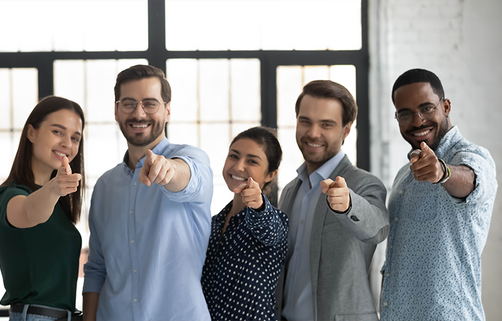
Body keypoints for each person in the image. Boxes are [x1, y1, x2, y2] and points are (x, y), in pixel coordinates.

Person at [82, 64, 213, 321]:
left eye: (150, 104)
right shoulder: (105, 186)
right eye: (128, 103)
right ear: (117, 111)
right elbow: (97, 268)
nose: (139, 113)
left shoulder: (191, 158)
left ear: (167, 110)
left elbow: (188, 177)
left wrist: (169, 170)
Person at [380, 69, 497, 321]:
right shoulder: (404, 175)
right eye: (405, 114)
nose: (417, 121)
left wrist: (443, 172)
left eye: (426, 108)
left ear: (445, 106)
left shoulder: (471, 157)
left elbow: (472, 180)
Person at [275, 80, 389, 321]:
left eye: (326, 124)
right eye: (305, 121)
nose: (313, 133)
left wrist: (348, 205)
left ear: (346, 130)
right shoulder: (289, 191)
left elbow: (377, 228)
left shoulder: (364, 184)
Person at [0, 96, 85, 320]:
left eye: (75, 138)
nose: (67, 144)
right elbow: (29, 212)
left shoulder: (59, 204)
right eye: (57, 132)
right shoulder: (10, 195)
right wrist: (54, 189)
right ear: (31, 133)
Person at [201, 127, 288, 321]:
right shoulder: (213, 223)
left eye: (252, 161)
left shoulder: (275, 220)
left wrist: (258, 205)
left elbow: (268, 229)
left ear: (270, 175)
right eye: (234, 156)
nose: (239, 166)